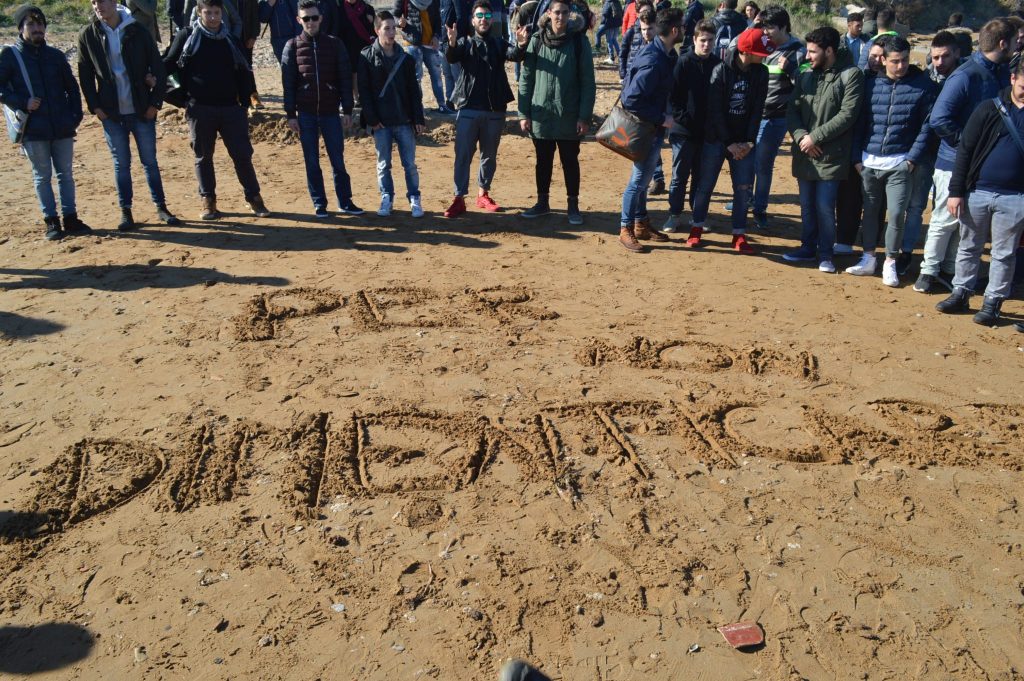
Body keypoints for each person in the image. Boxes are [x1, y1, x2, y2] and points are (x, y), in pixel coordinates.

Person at [916, 18, 1015, 294]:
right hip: (953, 161)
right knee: (944, 218)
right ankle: (928, 271)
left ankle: (948, 269)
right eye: (1016, 40)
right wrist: (967, 144)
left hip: (980, 164)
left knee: (965, 223)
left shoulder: (1001, 71)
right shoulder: (966, 75)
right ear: (1003, 43)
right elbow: (939, 119)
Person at [935, 58, 1024, 325]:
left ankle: (992, 303)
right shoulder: (989, 109)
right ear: (1012, 80)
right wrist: (956, 191)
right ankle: (960, 292)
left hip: (1016, 198)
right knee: (968, 246)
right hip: (978, 191)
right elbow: (965, 151)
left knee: (1004, 252)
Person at [79, 0, 180, 232]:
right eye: (94, 2)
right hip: (111, 113)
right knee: (121, 164)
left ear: (114, 2)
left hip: (142, 110)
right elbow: (84, 74)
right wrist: (96, 107)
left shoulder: (137, 30)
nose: (98, 6)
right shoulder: (88, 35)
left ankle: (161, 207)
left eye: (102, 1)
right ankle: (126, 212)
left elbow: (158, 66)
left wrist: (155, 103)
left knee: (150, 162)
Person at [164, 0, 269, 220]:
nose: (212, 17)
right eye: (208, 12)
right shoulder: (187, 37)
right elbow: (167, 67)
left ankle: (254, 198)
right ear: (199, 12)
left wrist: (244, 104)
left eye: (216, 12)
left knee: (242, 155)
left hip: (231, 109)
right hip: (200, 109)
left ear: (223, 13)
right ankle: (208, 201)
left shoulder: (231, 40)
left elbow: (244, 71)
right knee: (204, 157)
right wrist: (181, 99)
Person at [847, 36, 936, 286]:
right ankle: (868, 258)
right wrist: (857, 158)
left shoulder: (923, 86)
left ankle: (890, 262)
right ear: (883, 60)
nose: (901, 66)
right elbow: (860, 123)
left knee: (897, 214)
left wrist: (911, 160)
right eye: (895, 61)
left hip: (900, 163)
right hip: (868, 161)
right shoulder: (869, 85)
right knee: (871, 213)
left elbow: (926, 127)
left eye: (905, 60)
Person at [0, 5, 89, 241]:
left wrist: (75, 116)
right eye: (31, 24)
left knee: (66, 174)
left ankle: (71, 218)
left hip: (61, 125)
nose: (37, 29)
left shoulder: (55, 56)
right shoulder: (10, 56)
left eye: (40, 24)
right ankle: (51, 222)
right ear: (20, 28)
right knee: (42, 176)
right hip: (33, 129)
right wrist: (22, 102)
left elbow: (72, 87)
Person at [782, 25, 863, 273]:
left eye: (813, 52)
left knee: (825, 207)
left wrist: (815, 137)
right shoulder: (806, 75)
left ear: (829, 51)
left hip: (831, 156)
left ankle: (825, 254)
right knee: (807, 206)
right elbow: (792, 110)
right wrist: (801, 137)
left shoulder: (851, 76)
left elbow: (847, 115)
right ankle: (808, 247)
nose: (807, 56)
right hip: (805, 153)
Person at [688, 27, 773, 252]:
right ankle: (696, 228)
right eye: (760, 52)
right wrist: (728, 143)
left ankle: (739, 234)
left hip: (743, 143)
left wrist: (748, 142)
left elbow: (757, 110)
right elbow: (715, 111)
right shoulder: (720, 71)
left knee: (743, 189)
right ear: (747, 51)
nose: (764, 56)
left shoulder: (761, 73)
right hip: (716, 140)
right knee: (705, 185)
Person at [443, 1, 528, 218]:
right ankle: (459, 198)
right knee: (462, 155)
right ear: (473, 20)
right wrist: (451, 44)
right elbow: (452, 56)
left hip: (494, 110)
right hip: (468, 108)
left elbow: (515, 55)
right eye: (480, 16)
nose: (484, 20)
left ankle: (483, 194)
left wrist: (520, 45)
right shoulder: (464, 42)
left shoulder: (499, 43)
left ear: (492, 20)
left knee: (488, 155)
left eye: (488, 16)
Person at [282, 0, 363, 218]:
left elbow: (345, 79)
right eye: (305, 18)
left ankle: (345, 202)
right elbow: (288, 84)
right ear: (299, 20)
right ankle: (319, 203)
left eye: (314, 17)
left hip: (330, 113)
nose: (310, 22)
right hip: (306, 114)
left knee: (338, 161)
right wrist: (290, 114)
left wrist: (347, 110)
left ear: (321, 18)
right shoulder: (292, 46)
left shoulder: (335, 44)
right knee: (312, 161)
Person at [518, 0, 595, 223]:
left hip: (569, 114)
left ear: (569, 15)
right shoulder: (536, 40)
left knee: (570, 160)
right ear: (548, 13)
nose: (560, 17)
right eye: (556, 12)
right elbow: (526, 78)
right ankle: (542, 203)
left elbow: (588, 82)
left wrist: (584, 116)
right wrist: (524, 113)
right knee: (543, 160)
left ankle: (573, 206)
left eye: (564, 12)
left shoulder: (579, 42)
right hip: (541, 112)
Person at [617, 7, 685, 252]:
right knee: (638, 181)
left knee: (643, 181)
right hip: (646, 129)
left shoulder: (665, 54)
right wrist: (662, 118)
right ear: (674, 30)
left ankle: (641, 223)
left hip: (652, 129)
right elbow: (631, 99)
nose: (685, 30)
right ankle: (625, 228)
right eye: (683, 26)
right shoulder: (655, 60)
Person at [899, 30, 963, 274]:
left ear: (957, 53)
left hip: (950, 156)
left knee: (940, 211)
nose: (939, 62)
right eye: (935, 57)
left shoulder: (966, 80)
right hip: (923, 154)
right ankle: (905, 253)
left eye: (945, 56)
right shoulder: (926, 81)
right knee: (914, 206)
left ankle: (941, 263)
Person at [358, 10, 427, 217]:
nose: (391, 32)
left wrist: (418, 118)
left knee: (410, 164)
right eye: (386, 28)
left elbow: (414, 92)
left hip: (404, 120)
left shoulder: (406, 59)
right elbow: (364, 92)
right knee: (383, 164)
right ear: (377, 30)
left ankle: (414, 198)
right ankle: (386, 197)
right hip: (381, 123)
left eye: (393, 28)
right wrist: (372, 119)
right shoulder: (366, 57)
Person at [746, 5, 803, 229]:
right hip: (754, 115)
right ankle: (746, 200)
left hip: (776, 118)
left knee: (763, 165)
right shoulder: (764, 45)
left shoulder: (798, 51)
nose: (766, 32)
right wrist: (754, 25)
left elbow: (805, 84)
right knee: (748, 161)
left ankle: (759, 209)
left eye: (769, 28)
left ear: (783, 27)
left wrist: (790, 70)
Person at [664, 19, 719, 233]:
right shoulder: (683, 62)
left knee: (701, 177)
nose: (707, 44)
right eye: (703, 40)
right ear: (695, 39)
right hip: (683, 131)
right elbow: (673, 97)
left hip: (706, 133)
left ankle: (697, 216)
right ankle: (674, 215)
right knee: (679, 176)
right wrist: (683, 118)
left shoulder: (717, 65)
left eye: (711, 40)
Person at [394, 0, 453, 115]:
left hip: (430, 42)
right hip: (412, 42)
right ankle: (418, 107)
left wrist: (436, 36)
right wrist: (399, 22)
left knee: (436, 75)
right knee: (416, 77)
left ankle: (442, 105)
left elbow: (437, 18)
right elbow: (394, 15)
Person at [259, 0, 337, 62]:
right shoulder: (265, 1)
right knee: (287, 72)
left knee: (304, 70)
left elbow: (304, 15)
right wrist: (270, 3)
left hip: (299, 39)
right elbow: (263, 18)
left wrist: (301, 38)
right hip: (280, 41)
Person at [338, 0, 377, 92]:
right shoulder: (340, 9)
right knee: (352, 72)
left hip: (365, 47)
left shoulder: (367, 9)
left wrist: (371, 21)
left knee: (365, 72)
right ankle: (355, 96)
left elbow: (374, 31)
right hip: (347, 46)